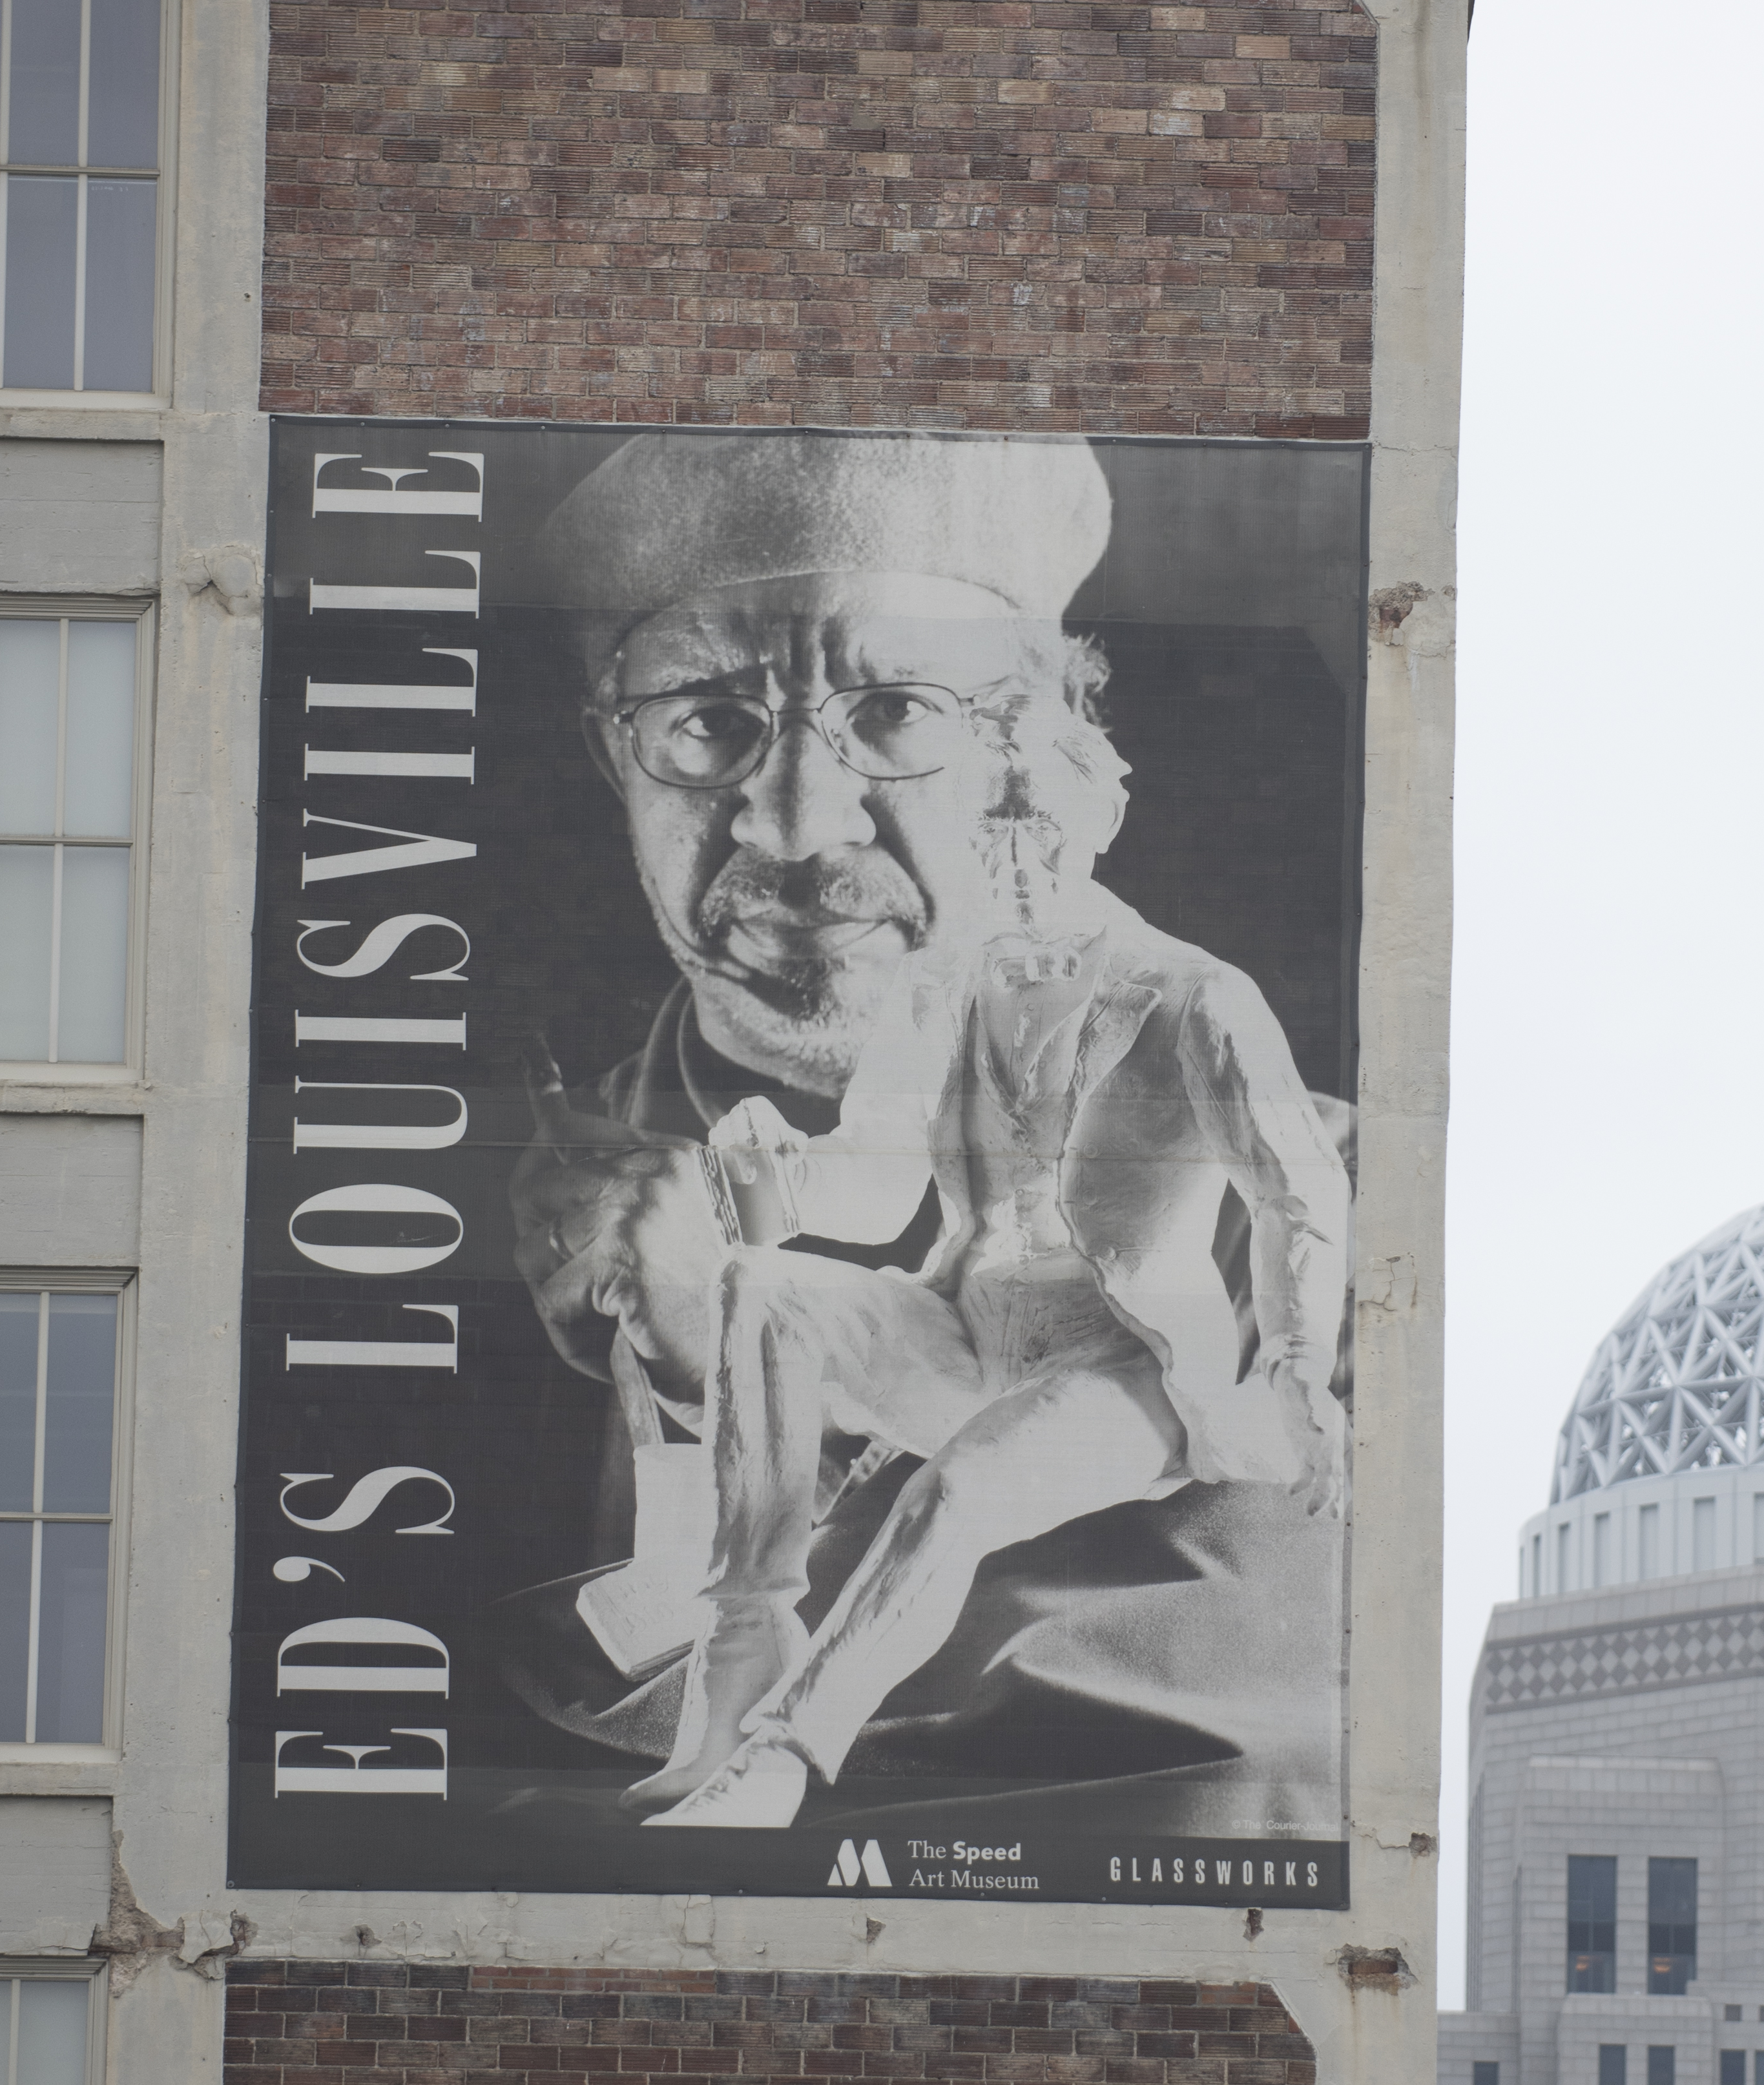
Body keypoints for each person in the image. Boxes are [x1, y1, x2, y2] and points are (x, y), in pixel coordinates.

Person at [506, 430, 1352, 1823]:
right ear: (615, 758)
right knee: (774, 1288)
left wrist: (1305, 1369)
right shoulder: (943, 999)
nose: (788, 827)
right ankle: (736, 1682)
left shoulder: (1199, 1003)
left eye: (895, 712)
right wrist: (747, 1209)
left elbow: (1244, 1746)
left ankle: (783, 1760)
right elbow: (870, 1177)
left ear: (1046, 775)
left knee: (962, 1491)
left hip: (1123, 1375)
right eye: (707, 721)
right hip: (960, 1333)